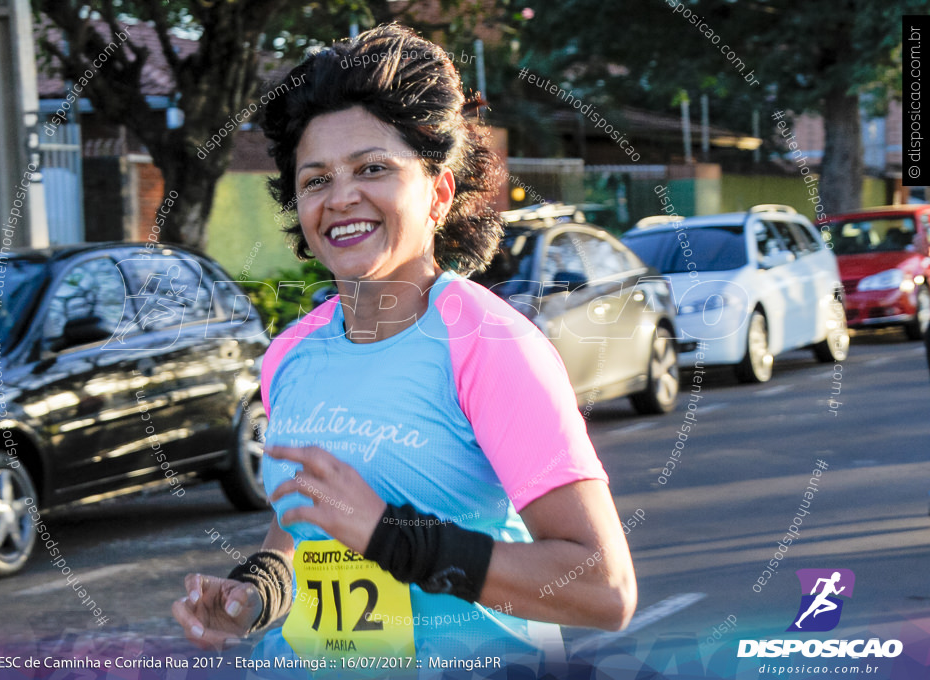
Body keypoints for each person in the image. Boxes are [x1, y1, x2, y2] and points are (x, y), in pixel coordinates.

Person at [172, 23, 637, 675]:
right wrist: (255, 593)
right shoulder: (290, 357)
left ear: (439, 193)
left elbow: (601, 588)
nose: (341, 198)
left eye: (372, 169)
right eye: (315, 179)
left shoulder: (489, 345)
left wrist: (390, 536)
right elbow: (305, 526)